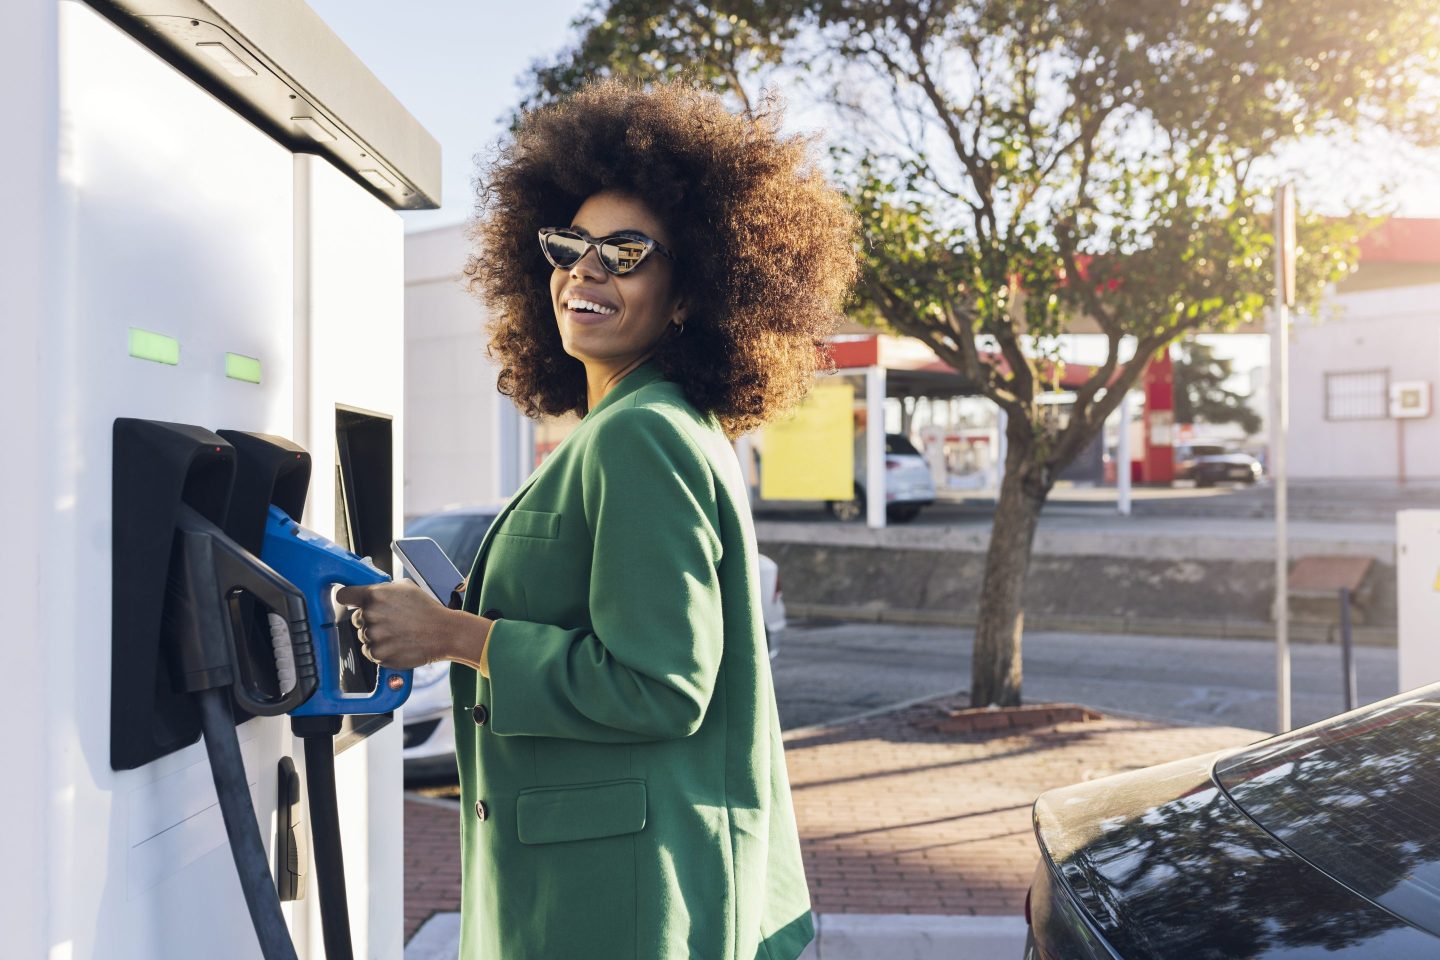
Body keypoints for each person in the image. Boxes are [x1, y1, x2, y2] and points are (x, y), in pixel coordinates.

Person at [336, 79, 858, 960]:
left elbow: (661, 685)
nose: (586, 268)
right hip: (616, 881)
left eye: (625, 252)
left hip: (624, 898)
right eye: (571, 245)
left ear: (690, 293)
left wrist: (455, 635)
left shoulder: (642, 437)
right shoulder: (647, 425)